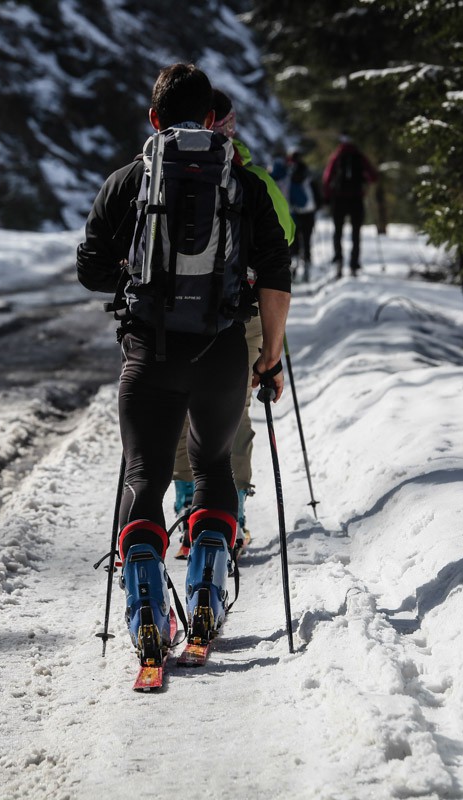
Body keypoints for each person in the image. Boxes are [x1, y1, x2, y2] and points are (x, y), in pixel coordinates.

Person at [77, 64, 291, 665]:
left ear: (154, 118)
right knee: (213, 467)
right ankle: (206, 594)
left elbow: (90, 268)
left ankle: (147, 609)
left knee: (144, 475)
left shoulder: (128, 181)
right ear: (212, 117)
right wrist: (269, 354)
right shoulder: (242, 184)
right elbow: (276, 271)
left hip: (149, 353)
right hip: (222, 351)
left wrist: (136, 277)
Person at [169, 88, 294, 560]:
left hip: (173, 315)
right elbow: (283, 241)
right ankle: (231, 517)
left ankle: (188, 509)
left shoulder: (157, 172)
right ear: (224, 124)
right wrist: (274, 349)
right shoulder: (251, 179)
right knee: (232, 413)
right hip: (241, 313)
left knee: (179, 410)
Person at [322, 134, 378, 277]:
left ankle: (338, 261)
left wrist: (327, 197)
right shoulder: (359, 156)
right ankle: (354, 264)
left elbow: (327, 178)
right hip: (356, 198)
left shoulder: (336, 156)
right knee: (356, 233)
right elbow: (373, 176)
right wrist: (364, 180)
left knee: (338, 231)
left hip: (338, 199)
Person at [286, 150, 318, 282]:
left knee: (294, 242)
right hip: (309, 212)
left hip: (293, 213)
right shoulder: (307, 172)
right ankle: (307, 269)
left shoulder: (288, 172)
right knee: (307, 241)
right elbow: (315, 191)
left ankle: (293, 267)